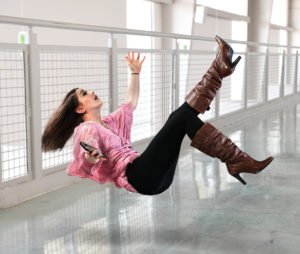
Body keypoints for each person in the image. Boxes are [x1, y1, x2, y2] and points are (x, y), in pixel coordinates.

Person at [42, 36, 273, 195]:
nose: (91, 92)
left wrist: (134, 72)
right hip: (140, 176)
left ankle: (219, 71)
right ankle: (236, 158)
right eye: (84, 94)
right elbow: (88, 155)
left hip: (151, 178)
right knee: (180, 118)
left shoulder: (107, 123)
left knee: (181, 116)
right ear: (80, 109)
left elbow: (129, 103)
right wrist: (93, 156)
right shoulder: (87, 130)